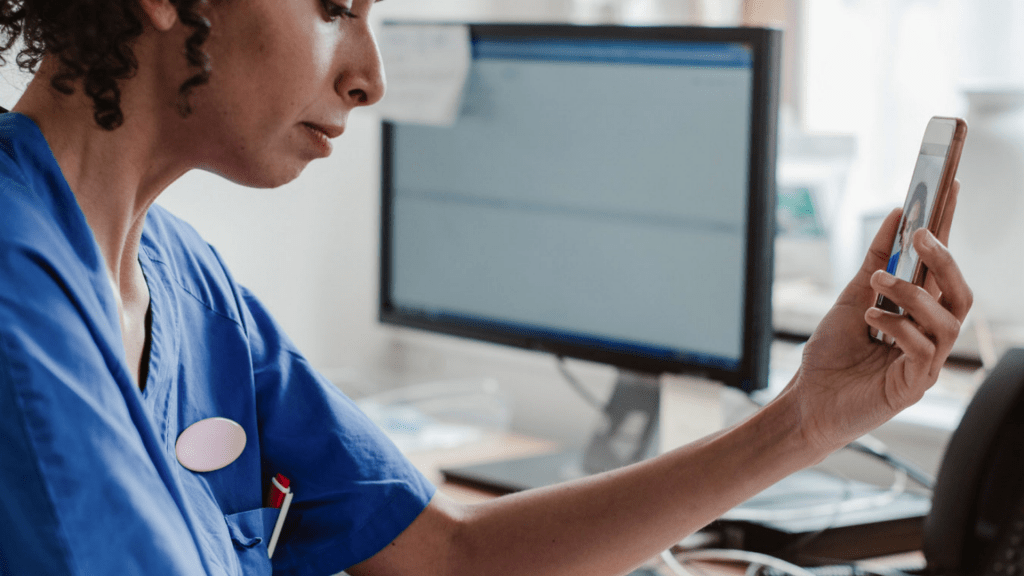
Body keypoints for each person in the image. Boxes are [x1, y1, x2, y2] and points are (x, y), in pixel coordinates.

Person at [0, 0, 973, 575]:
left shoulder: (185, 283)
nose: (369, 78)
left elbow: (443, 557)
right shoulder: (16, 297)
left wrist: (806, 419)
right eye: (334, 7)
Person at [888, 182, 930, 281]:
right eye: (908, 227)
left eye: (914, 227)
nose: (910, 234)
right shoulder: (892, 261)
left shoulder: (913, 266)